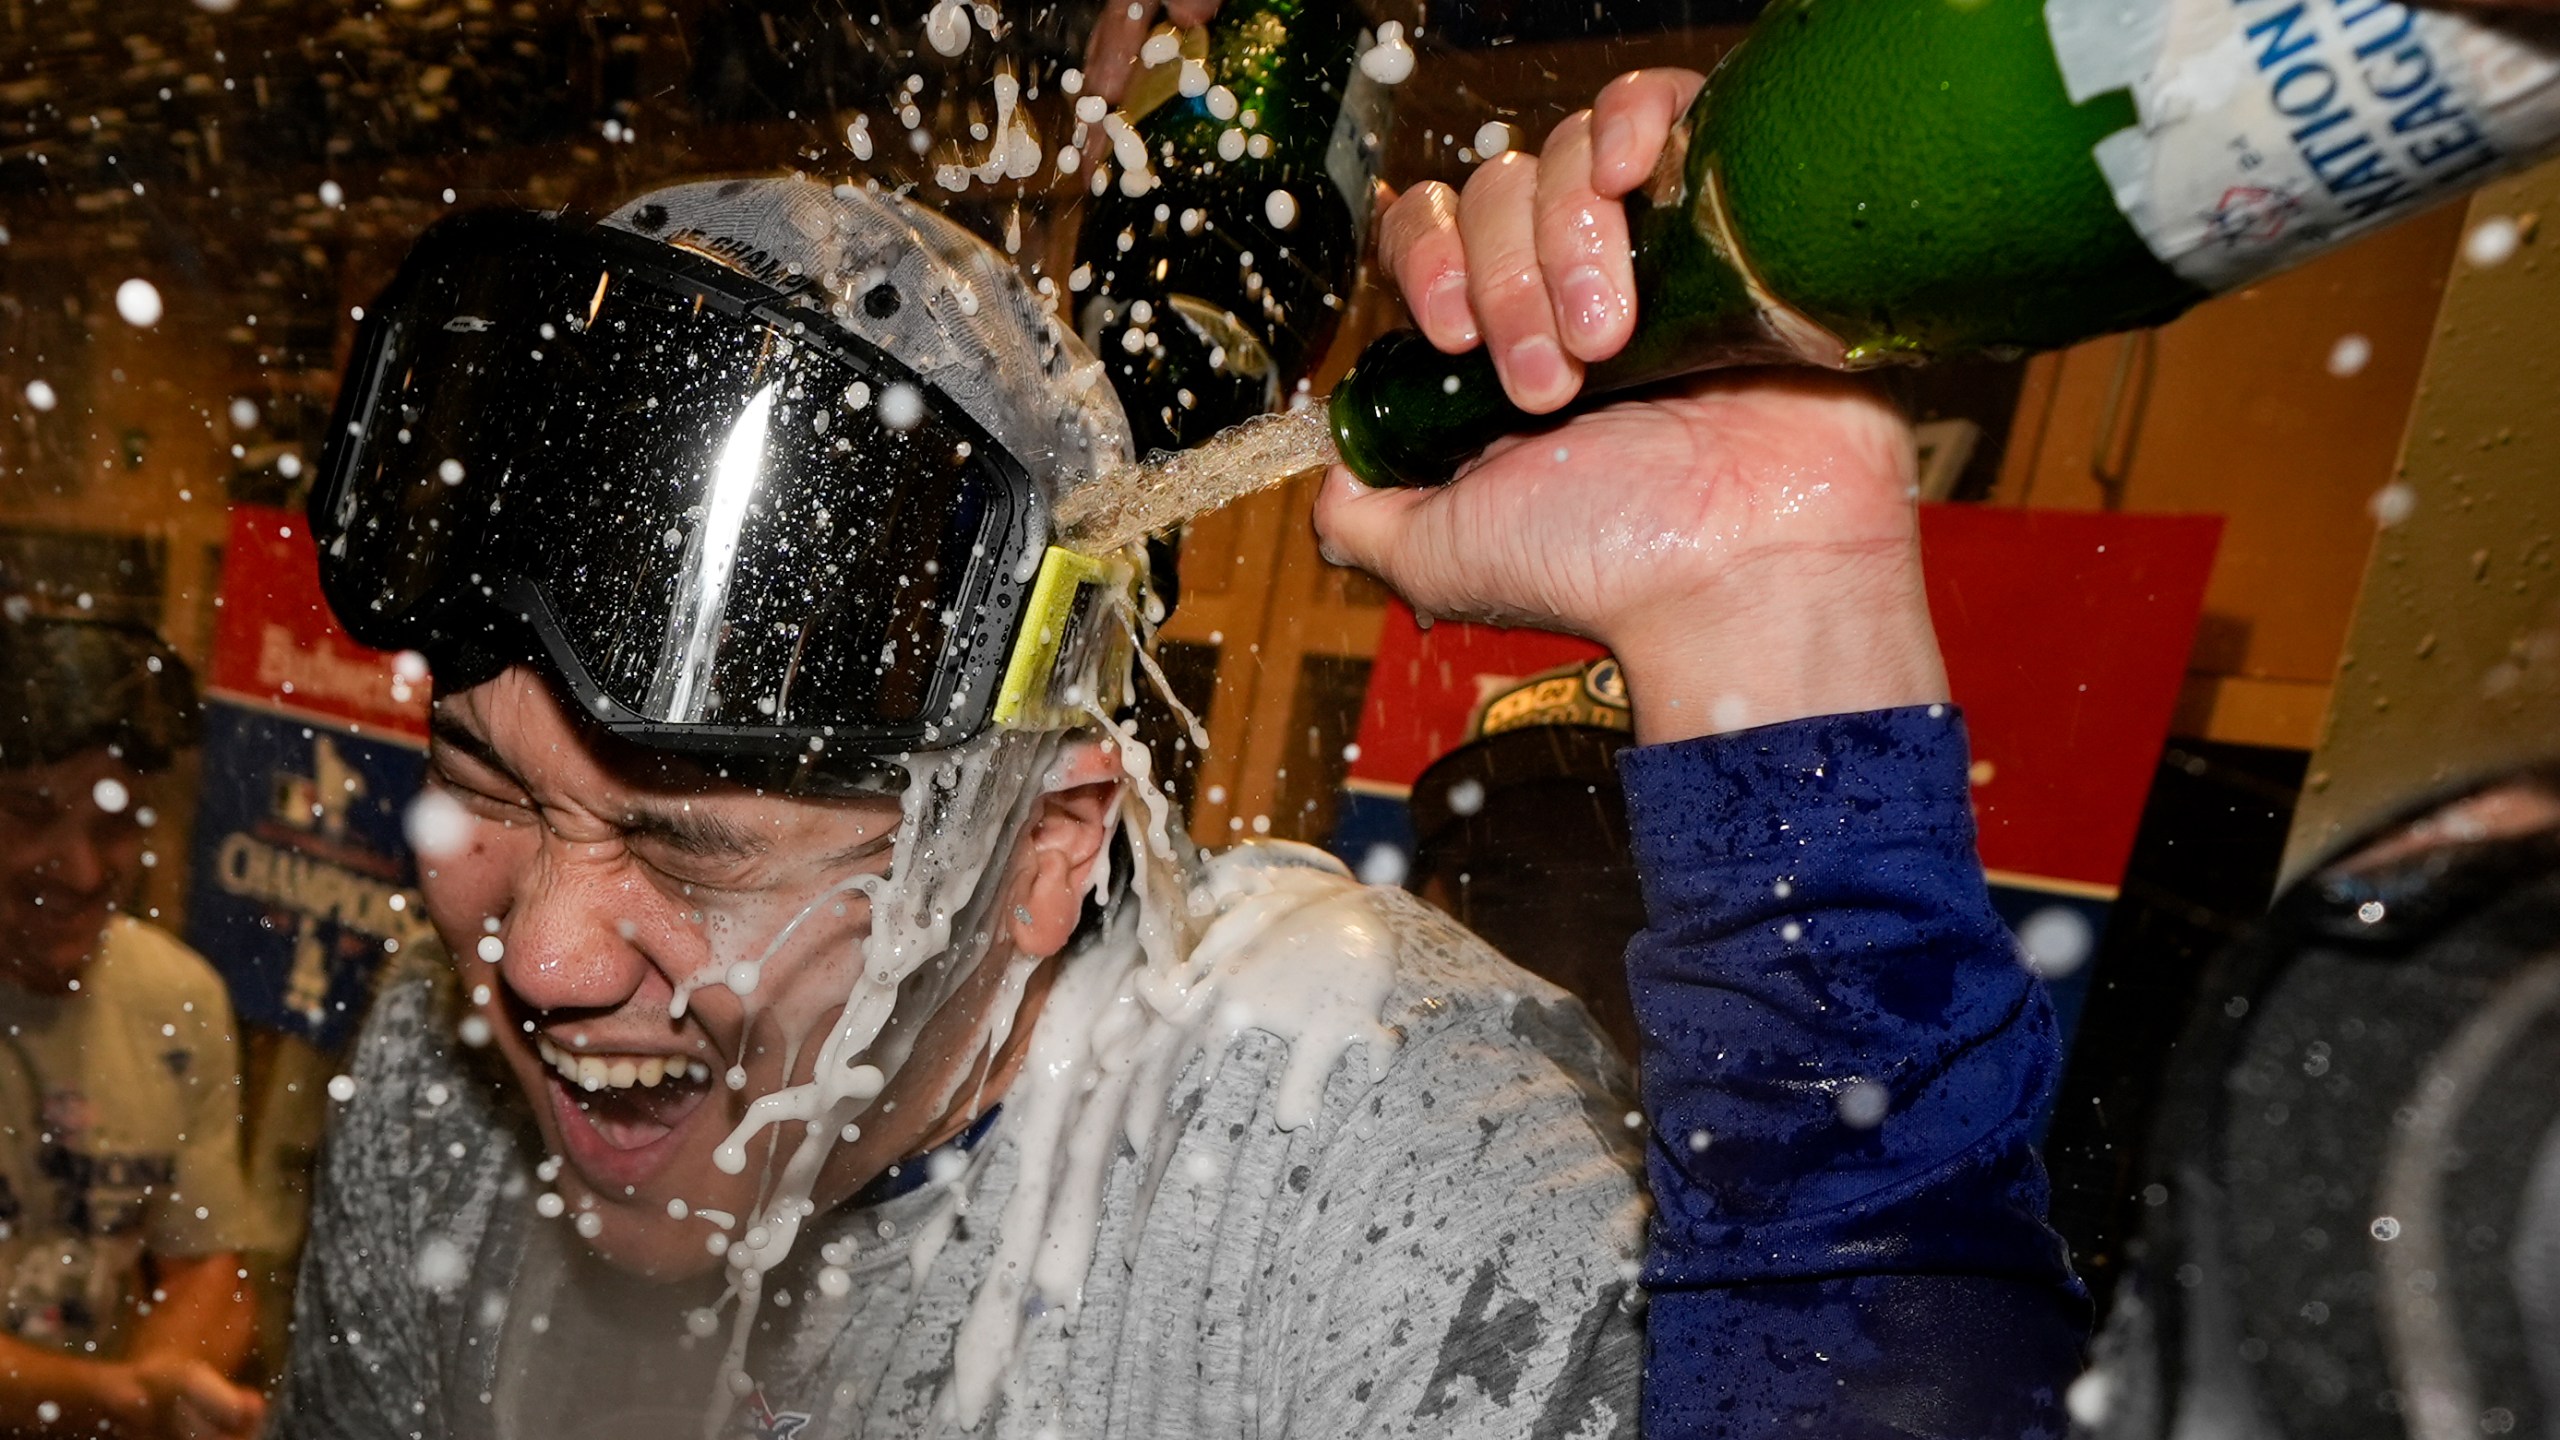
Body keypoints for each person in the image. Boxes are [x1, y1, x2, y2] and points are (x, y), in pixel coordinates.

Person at [277, 70, 2077, 1440]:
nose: (542, 955)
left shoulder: (1338, 1169)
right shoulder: (452, 1112)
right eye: (495, 793)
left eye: (693, 846)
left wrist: (1776, 630)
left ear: (1048, 852)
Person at [0, 610, 266, 1439]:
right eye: (30, 814)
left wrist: (162, 1384)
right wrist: (117, 1401)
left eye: (115, 824)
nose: (78, 869)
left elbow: (209, 1269)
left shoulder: (178, 998)